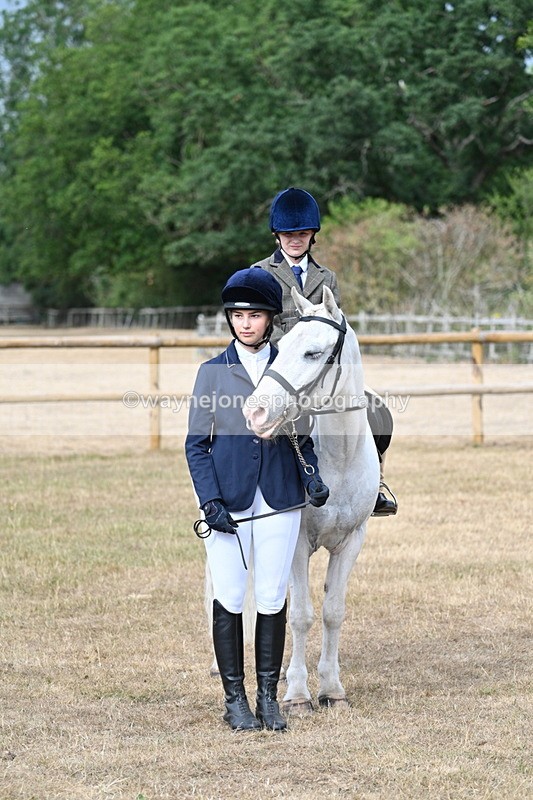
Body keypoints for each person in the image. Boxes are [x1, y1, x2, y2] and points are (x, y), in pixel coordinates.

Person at [185, 267, 329, 732]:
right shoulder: (212, 372)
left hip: (280, 497)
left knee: (271, 595)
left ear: (270, 320)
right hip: (227, 500)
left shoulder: (288, 366)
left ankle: (268, 697)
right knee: (229, 596)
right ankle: (235, 700)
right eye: (238, 315)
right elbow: (196, 445)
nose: (245, 324)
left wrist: (312, 476)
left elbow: (302, 435)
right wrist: (210, 501)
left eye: (255, 316)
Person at [251, 186, 397, 517]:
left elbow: (335, 327)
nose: (295, 240)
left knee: (375, 411)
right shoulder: (260, 273)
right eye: (288, 234)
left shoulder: (326, 277)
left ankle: (373, 485)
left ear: (312, 235)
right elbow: (257, 325)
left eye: (302, 234)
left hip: (319, 370)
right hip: (277, 367)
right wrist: (291, 349)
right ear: (277, 235)